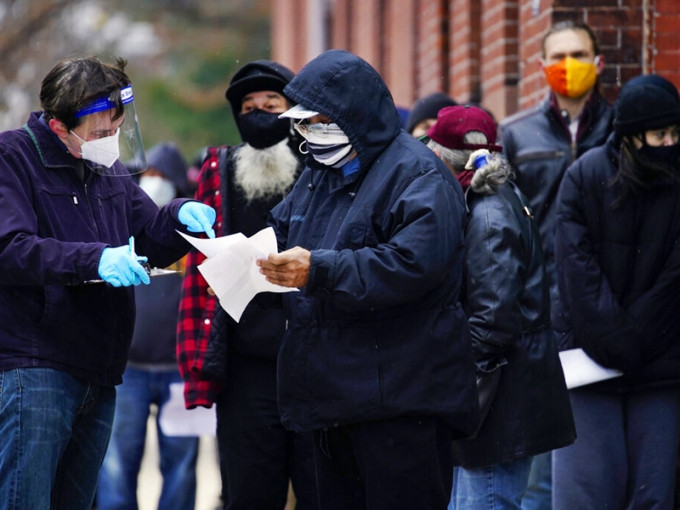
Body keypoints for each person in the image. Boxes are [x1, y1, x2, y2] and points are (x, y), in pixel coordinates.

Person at [256, 49, 480, 510]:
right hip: (331, 400)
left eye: (316, 121)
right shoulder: (319, 174)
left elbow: (410, 265)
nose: (307, 135)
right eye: (301, 124)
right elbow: (281, 232)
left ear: (351, 115)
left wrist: (316, 270)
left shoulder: (418, 174)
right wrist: (244, 260)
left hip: (401, 403)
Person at [0, 56, 215, 510]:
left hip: (100, 370)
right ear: (59, 127)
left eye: (115, 129)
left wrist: (179, 217)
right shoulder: (12, 158)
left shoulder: (108, 170)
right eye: (99, 134)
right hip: (35, 367)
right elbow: (11, 248)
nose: (110, 142)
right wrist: (95, 259)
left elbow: (149, 233)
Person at [176, 59, 317, 510]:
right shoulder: (219, 168)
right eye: (249, 107)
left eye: (271, 104)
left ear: (291, 109)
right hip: (244, 366)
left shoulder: (317, 166)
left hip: (313, 361)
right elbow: (198, 258)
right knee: (249, 490)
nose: (259, 113)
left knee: (321, 488)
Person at [424, 105, 575, 509]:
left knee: (486, 501)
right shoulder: (487, 200)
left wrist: (454, 381)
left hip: (497, 405)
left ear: (441, 155)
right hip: (500, 397)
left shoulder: (487, 211)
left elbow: (492, 321)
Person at [552, 73, 680, 510]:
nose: (669, 143)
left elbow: (673, 280)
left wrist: (633, 338)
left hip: (659, 365)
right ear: (629, 136)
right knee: (585, 495)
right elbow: (575, 271)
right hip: (589, 363)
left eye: (675, 133)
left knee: (653, 495)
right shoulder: (584, 177)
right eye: (659, 134)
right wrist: (614, 338)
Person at [498, 20, 613, 509]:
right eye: (560, 56)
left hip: (610, 308)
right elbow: (503, 228)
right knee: (542, 467)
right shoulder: (516, 135)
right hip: (541, 314)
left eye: (580, 54)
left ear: (599, 62)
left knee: (602, 461)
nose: (570, 66)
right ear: (542, 66)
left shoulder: (621, 127)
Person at [97, 142, 200, 510]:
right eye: (149, 175)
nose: (154, 183)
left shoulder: (192, 232)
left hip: (181, 372)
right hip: (129, 371)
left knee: (182, 465)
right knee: (115, 466)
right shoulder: (126, 226)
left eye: (163, 176)